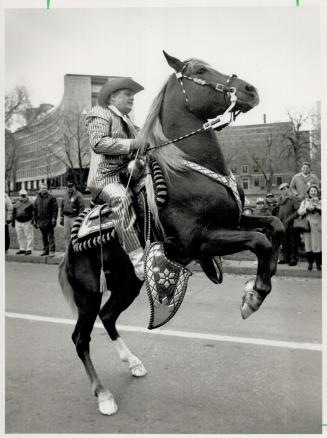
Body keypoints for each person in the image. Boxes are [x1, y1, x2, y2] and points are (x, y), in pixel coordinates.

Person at [85, 76, 146, 280]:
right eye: (128, 94)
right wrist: (133, 145)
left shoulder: (131, 123)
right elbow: (98, 143)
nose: (132, 98)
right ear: (113, 97)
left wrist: (141, 160)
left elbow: (143, 148)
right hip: (106, 178)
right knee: (122, 199)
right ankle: (139, 262)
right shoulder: (99, 113)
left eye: (132, 96)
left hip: (130, 175)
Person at [297, 184, 321, 270]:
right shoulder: (304, 202)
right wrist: (307, 209)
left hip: (318, 226)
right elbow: (299, 212)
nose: (313, 192)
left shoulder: (321, 201)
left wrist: (317, 208)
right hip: (307, 226)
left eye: (315, 191)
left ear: (317, 192)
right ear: (309, 192)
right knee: (308, 244)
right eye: (311, 191)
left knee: (317, 245)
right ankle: (310, 263)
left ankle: (319, 264)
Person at [277, 182, 300, 266]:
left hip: (291, 223)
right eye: (282, 189)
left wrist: (290, 218)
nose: (284, 191)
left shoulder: (293, 198)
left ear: (289, 189)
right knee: (284, 242)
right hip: (281, 223)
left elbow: (298, 211)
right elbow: (277, 211)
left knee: (292, 241)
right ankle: (286, 258)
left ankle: (293, 258)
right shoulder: (279, 200)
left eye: (285, 188)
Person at [34, 183, 58, 257]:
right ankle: (45, 250)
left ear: (47, 189)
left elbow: (55, 209)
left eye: (45, 188)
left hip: (49, 220)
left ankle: (52, 251)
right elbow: (35, 210)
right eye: (42, 188)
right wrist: (35, 221)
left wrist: (54, 218)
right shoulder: (37, 198)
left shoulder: (51, 198)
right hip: (40, 221)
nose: (44, 189)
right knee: (44, 236)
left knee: (50, 236)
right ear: (40, 189)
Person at [60, 181, 85, 249]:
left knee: (75, 235)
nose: (70, 188)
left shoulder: (78, 195)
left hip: (75, 217)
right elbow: (62, 206)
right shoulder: (65, 195)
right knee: (66, 235)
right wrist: (61, 217)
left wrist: (79, 219)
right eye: (68, 187)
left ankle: (76, 250)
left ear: (74, 187)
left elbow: (82, 207)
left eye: (71, 187)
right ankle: (68, 251)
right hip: (66, 217)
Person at [12, 189, 34, 255]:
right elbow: (14, 213)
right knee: (20, 236)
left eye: (24, 195)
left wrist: (33, 220)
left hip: (27, 221)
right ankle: (22, 249)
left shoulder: (30, 203)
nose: (23, 197)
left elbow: (34, 213)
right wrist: (13, 221)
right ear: (19, 196)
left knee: (29, 236)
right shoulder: (17, 203)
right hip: (18, 222)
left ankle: (29, 249)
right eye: (22, 195)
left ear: (26, 195)